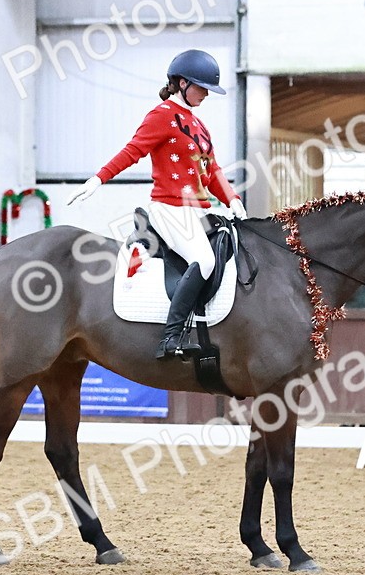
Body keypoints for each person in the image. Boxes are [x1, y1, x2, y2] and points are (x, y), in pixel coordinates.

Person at [68, 49, 247, 359]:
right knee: (205, 262)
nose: (205, 94)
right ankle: (170, 338)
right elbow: (132, 151)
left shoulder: (200, 126)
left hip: (200, 211)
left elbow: (212, 171)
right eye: (201, 87)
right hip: (170, 210)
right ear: (180, 83)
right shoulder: (162, 115)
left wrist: (232, 199)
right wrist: (99, 178)